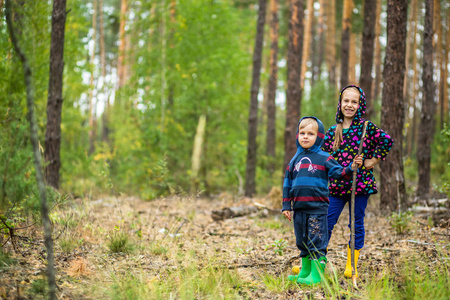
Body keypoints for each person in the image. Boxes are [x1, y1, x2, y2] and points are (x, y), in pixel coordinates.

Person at [322, 85, 393, 279]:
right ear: (340, 103)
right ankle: (316, 261)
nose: (350, 105)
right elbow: (323, 157)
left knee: (356, 223)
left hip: (359, 186)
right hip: (336, 187)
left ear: (360, 105)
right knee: (326, 221)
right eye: (346, 101)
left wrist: (373, 160)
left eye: (354, 102)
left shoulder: (366, 127)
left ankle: (351, 264)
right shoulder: (332, 132)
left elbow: (387, 140)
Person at [282, 116, 362, 285]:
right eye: (302, 133)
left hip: (317, 209)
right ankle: (305, 272)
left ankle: (317, 275)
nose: (305, 136)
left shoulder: (324, 157)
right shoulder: (294, 160)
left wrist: (351, 167)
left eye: (310, 134)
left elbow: (339, 172)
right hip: (299, 209)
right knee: (302, 240)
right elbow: (287, 183)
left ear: (318, 137)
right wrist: (286, 206)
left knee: (316, 240)